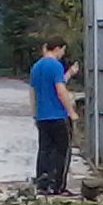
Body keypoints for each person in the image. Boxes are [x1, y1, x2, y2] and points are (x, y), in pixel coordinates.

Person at [29, 37, 78, 194]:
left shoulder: (37, 66)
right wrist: (71, 112)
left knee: (45, 150)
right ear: (57, 48)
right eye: (63, 50)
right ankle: (57, 186)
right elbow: (60, 90)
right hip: (58, 116)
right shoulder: (56, 65)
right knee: (62, 152)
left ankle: (43, 183)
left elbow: (33, 92)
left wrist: (35, 114)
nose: (62, 54)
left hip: (42, 117)